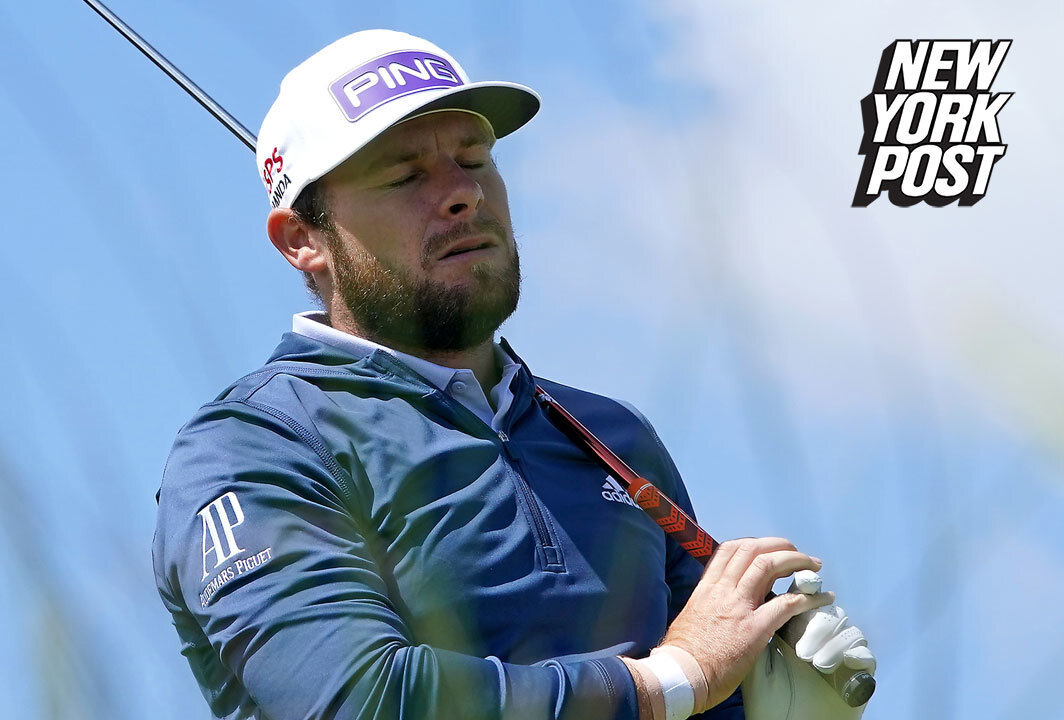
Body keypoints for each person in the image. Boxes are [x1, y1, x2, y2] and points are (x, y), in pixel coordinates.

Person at [153, 29, 875, 720]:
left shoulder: (611, 433)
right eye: (404, 174)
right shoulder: (252, 445)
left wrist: (775, 691)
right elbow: (358, 699)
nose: (461, 193)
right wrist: (671, 682)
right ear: (303, 240)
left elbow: (706, 678)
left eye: (474, 158)